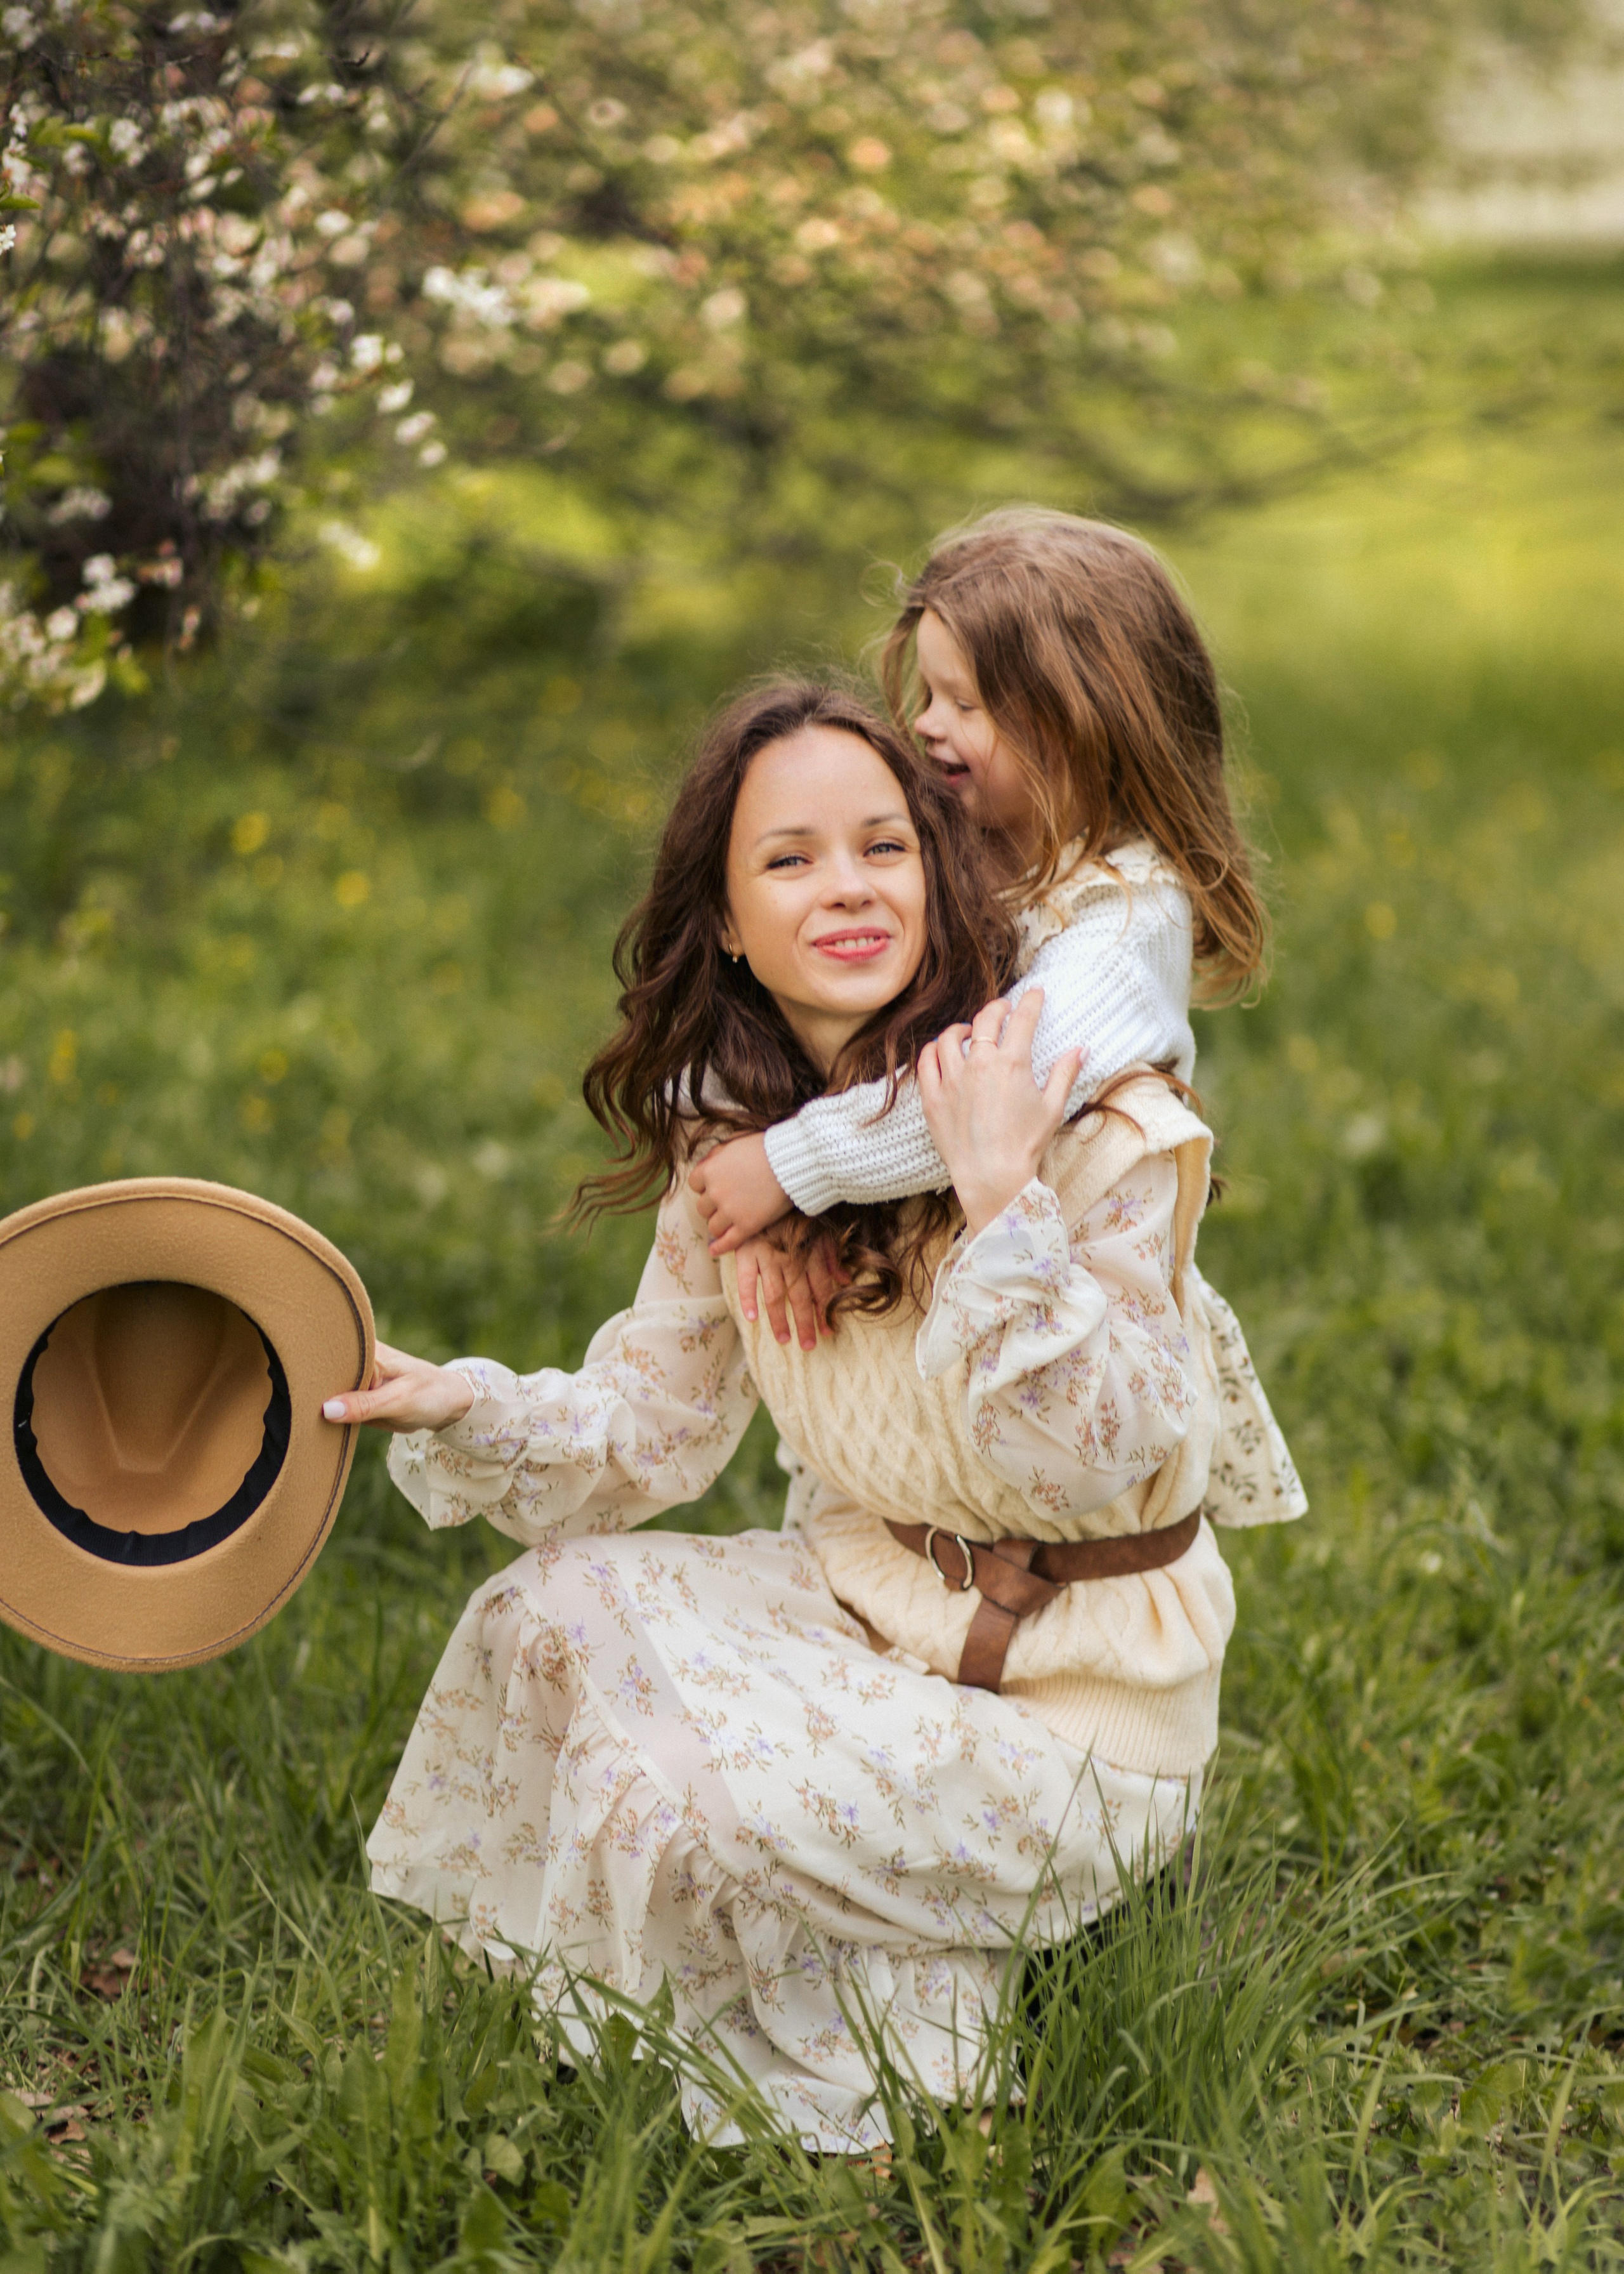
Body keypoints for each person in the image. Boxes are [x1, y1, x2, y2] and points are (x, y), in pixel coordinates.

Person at [329, 681, 1304, 2155]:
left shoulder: (1091, 1120)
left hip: (1082, 1720)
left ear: (940, 872)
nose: (845, 886)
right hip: (866, 1623)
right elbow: (647, 1430)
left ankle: (954, 1945)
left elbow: (1090, 1456)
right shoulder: (740, 1149)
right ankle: (907, 1939)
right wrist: (455, 1398)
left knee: (690, 1801)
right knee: (546, 1612)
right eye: (788, 860)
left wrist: (998, 1195)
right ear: (726, 921)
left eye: (881, 847)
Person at [688, 508, 1267, 1355]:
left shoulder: (1131, 916)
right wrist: (738, 1148)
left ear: (1087, 723)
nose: (926, 724)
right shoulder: (949, 845)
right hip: (931, 1284)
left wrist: (790, 1168)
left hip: (1072, 1322)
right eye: (928, 694)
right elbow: (767, 1009)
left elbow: (995, 1091)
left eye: (964, 702)